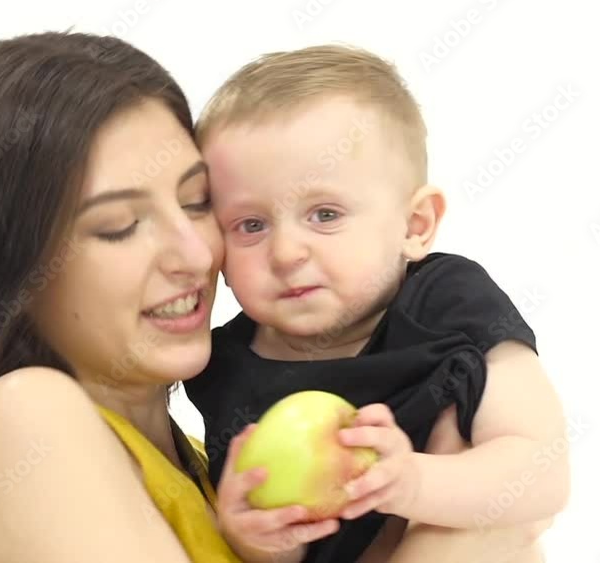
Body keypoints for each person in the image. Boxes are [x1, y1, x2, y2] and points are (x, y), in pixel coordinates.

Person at [0, 32, 552, 563]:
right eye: (120, 226)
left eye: (196, 203)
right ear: (9, 269)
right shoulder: (23, 418)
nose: (197, 254)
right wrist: (464, 534)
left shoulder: (213, 462)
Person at [185, 44, 570, 562]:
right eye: (250, 225)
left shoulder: (451, 303)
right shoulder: (225, 365)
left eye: (324, 214)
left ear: (415, 226)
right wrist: (253, 534)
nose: (285, 253)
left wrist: (414, 483)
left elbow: (542, 473)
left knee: (471, 532)